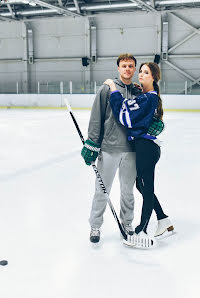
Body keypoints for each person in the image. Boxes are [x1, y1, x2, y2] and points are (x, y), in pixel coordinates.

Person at [104, 62, 174, 247]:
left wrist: (113, 88)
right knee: (141, 186)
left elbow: (124, 114)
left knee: (146, 186)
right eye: (140, 71)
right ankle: (163, 219)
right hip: (143, 146)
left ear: (153, 77)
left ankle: (142, 228)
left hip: (146, 147)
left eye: (145, 72)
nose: (140, 75)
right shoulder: (146, 96)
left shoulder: (148, 98)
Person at [81, 53, 142, 243]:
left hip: (131, 149)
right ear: (118, 68)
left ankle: (127, 223)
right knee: (102, 190)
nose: (127, 69)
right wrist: (92, 143)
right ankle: (95, 226)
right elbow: (96, 117)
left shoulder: (138, 92)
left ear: (134, 69)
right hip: (109, 148)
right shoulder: (106, 89)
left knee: (127, 191)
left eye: (131, 66)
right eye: (124, 66)